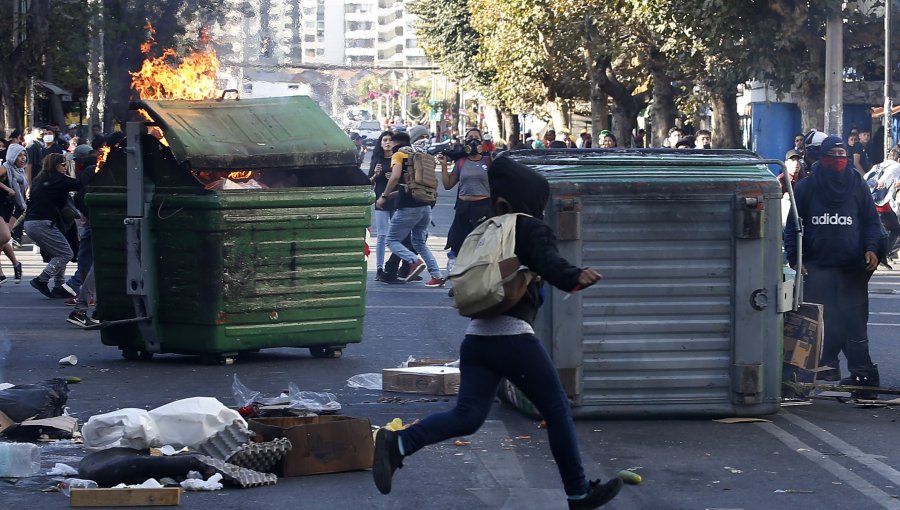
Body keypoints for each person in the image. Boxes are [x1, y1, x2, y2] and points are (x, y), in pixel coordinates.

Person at [371, 155, 622, 509]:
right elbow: (549, 262)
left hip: (477, 339)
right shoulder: (527, 227)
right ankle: (579, 492)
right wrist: (573, 276)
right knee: (557, 407)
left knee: (467, 417)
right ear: (522, 204)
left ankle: (398, 444)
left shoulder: (485, 229)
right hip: (512, 338)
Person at [785, 136, 882, 397]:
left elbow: (872, 222)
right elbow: (793, 227)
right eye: (833, 153)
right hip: (817, 268)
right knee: (820, 325)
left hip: (852, 269)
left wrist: (872, 248)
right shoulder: (806, 188)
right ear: (822, 157)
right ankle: (823, 372)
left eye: (843, 152)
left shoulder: (857, 185)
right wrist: (796, 258)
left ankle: (863, 376)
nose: (839, 157)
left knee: (854, 323)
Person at [376, 131, 445, 287]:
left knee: (391, 240)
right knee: (419, 243)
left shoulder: (398, 155)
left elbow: (394, 177)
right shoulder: (418, 155)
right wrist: (393, 195)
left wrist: (384, 196)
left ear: (394, 143)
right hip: (425, 205)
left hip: (408, 207)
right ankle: (437, 275)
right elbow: (409, 185)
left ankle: (413, 261)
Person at [440, 127, 493, 288]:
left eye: (476, 137)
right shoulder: (461, 162)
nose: (473, 140)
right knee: (459, 245)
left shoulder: (488, 161)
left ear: (482, 142)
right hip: (463, 208)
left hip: (483, 208)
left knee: (480, 246)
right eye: (470, 137)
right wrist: (443, 166)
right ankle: (458, 284)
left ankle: (479, 283)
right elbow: (448, 184)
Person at [24, 153, 82, 298]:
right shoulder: (58, 179)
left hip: (32, 223)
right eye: (63, 165)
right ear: (56, 165)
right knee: (65, 253)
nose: (65, 168)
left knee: (59, 253)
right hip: (43, 223)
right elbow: (80, 184)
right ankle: (41, 279)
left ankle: (58, 286)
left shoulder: (40, 179)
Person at [369, 130, 396, 281]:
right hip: (380, 201)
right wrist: (375, 175)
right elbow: (369, 182)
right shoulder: (377, 160)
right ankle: (379, 268)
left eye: (390, 140)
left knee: (397, 236)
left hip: (396, 201)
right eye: (384, 140)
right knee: (382, 235)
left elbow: (406, 180)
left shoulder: (398, 158)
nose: (387, 142)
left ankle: (396, 266)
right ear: (380, 143)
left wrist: (394, 178)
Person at [0, 143, 26, 285]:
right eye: (19, 155)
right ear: (12, 156)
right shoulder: (5, 168)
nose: (22, 158)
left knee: (3, 240)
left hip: (14, 209)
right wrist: (7, 189)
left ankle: (16, 264)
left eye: (24, 155)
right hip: (1, 206)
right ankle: (1, 274)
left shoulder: (19, 171)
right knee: (4, 236)